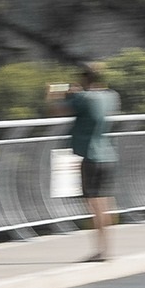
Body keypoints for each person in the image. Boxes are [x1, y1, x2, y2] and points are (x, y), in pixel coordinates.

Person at [49, 62, 120, 262]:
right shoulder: (111, 96)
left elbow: (57, 110)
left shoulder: (83, 98)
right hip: (108, 153)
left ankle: (100, 250)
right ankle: (107, 248)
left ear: (83, 79)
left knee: (94, 206)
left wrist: (56, 94)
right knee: (104, 204)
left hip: (90, 155)